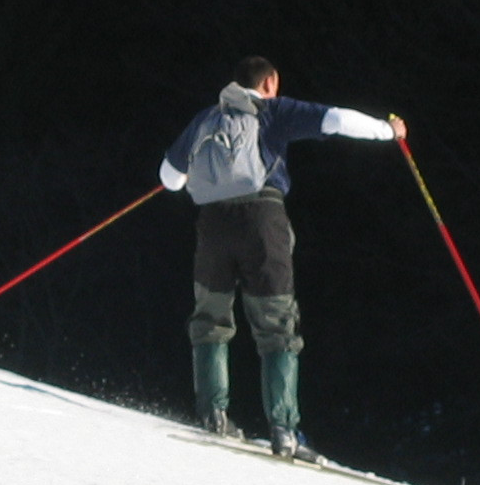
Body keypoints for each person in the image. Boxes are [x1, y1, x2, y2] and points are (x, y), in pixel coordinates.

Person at [160, 57, 406, 460]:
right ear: (270, 82)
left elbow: (169, 179)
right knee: (276, 324)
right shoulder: (272, 111)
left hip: (213, 226)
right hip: (262, 222)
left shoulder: (206, 118)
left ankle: (213, 415)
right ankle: (283, 430)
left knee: (210, 319)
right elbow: (337, 119)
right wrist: (387, 131)